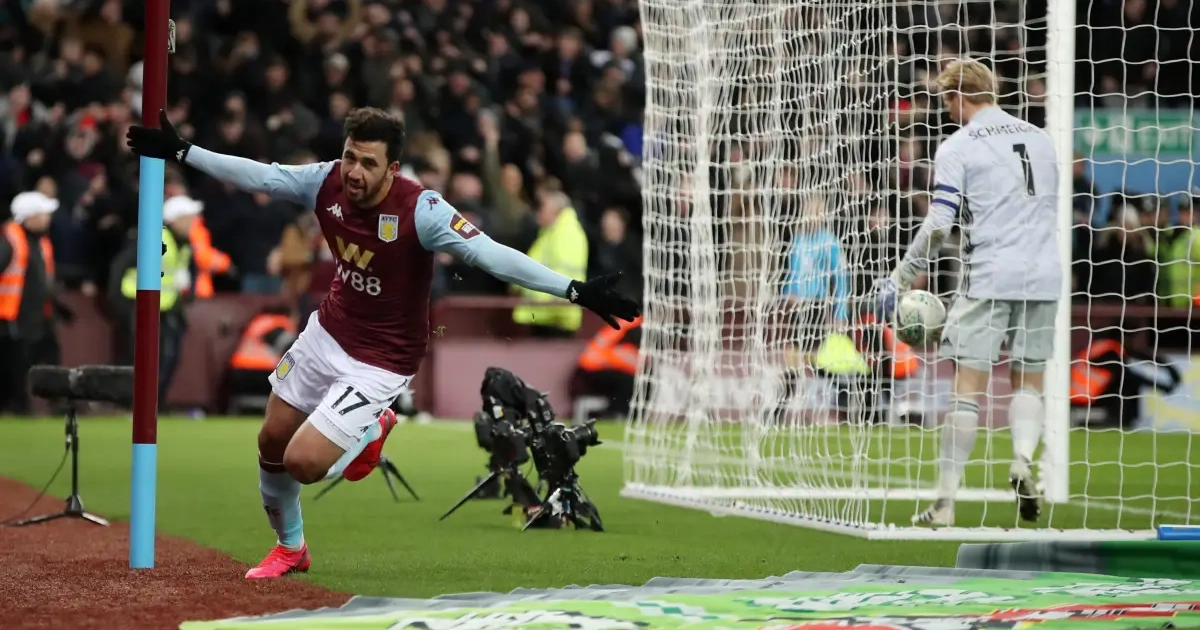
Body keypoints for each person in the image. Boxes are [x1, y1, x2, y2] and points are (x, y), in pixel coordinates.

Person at [125, 107, 640, 579]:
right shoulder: (325, 181)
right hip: (328, 331)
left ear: (392, 169)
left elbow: (489, 254)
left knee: (304, 463)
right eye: (350, 156)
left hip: (382, 360)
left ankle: (376, 424)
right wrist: (183, 152)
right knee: (270, 443)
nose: (354, 171)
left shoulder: (422, 210)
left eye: (368, 163)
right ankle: (290, 548)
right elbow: (262, 176)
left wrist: (573, 290)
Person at [875, 59, 1061, 528]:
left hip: (990, 274)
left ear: (957, 97)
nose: (947, 110)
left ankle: (945, 503)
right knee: (1029, 379)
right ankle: (1022, 460)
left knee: (967, 390)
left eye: (946, 101)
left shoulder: (958, 146)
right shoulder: (1041, 139)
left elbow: (940, 224)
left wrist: (901, 276)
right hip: (1044, 272)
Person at [0, 191, 62, 415]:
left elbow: (42, 281)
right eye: (43, 213)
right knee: (15, 366)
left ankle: (56, 404)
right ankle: (18, 407)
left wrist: (58, 306)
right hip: (12, 317)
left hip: (38, 315)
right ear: (29, 216)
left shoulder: (40, 242)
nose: (47, 218)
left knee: (47, 357)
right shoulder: (10, 241)